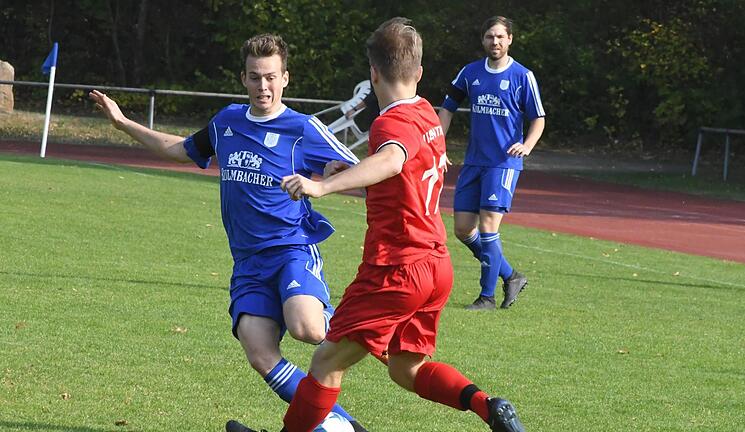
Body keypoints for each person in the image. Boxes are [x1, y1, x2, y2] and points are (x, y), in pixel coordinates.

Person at [245, 17, 526, 432]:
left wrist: (322, 187)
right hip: (436, 266)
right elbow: (400, 179)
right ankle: (488, 405)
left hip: (397, 268)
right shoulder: (427, 112)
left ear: (373, 73)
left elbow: (393, 160)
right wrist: (350, 174)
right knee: (405, 369)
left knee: (325, 362)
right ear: (419, 72)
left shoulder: (388, 123)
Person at [89, 34, 369, 432]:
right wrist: (122, 123)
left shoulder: (303, 128)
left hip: (291, 250)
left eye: (271, 77)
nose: (263, 87)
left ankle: (356, 322)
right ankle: (339, 424)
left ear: (285, 78)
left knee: (306, 327)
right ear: (243, 79)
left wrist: (332, 177)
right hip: (248, 264)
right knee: (258, 350)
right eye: (255, 77)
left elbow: (363, 170)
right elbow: (178, 149)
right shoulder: (227, 122)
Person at [438, 16, 546, 310]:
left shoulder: (523, 76)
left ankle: (486, 297)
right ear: (483, 39)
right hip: (474, 162)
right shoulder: (470, 72)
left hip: (504, 164)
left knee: (488, 226)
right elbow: (446, 109)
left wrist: (527, 145)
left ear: (510, 39)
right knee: (462, 229)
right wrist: (439, 145)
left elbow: (538, 118)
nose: (495, 42)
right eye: (490, 37)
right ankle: (510, 275)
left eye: (500, 37)